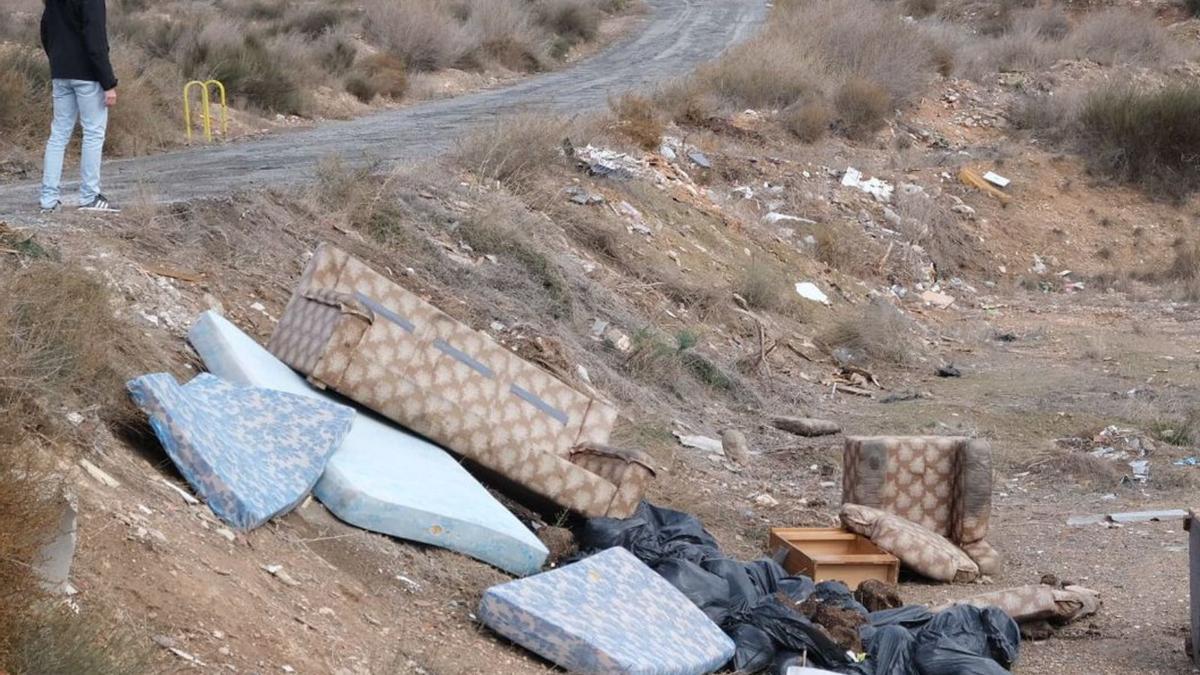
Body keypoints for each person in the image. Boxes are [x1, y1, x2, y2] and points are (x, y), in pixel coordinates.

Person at [39, 0, 120, 213]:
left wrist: (58, 62)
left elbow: (45, 32)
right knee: (93, 133)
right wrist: (108, 83)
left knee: (58, 135)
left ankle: (48, 200)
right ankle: (90, 196)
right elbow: (96, 42)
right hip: (87, 76)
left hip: (60, 73)